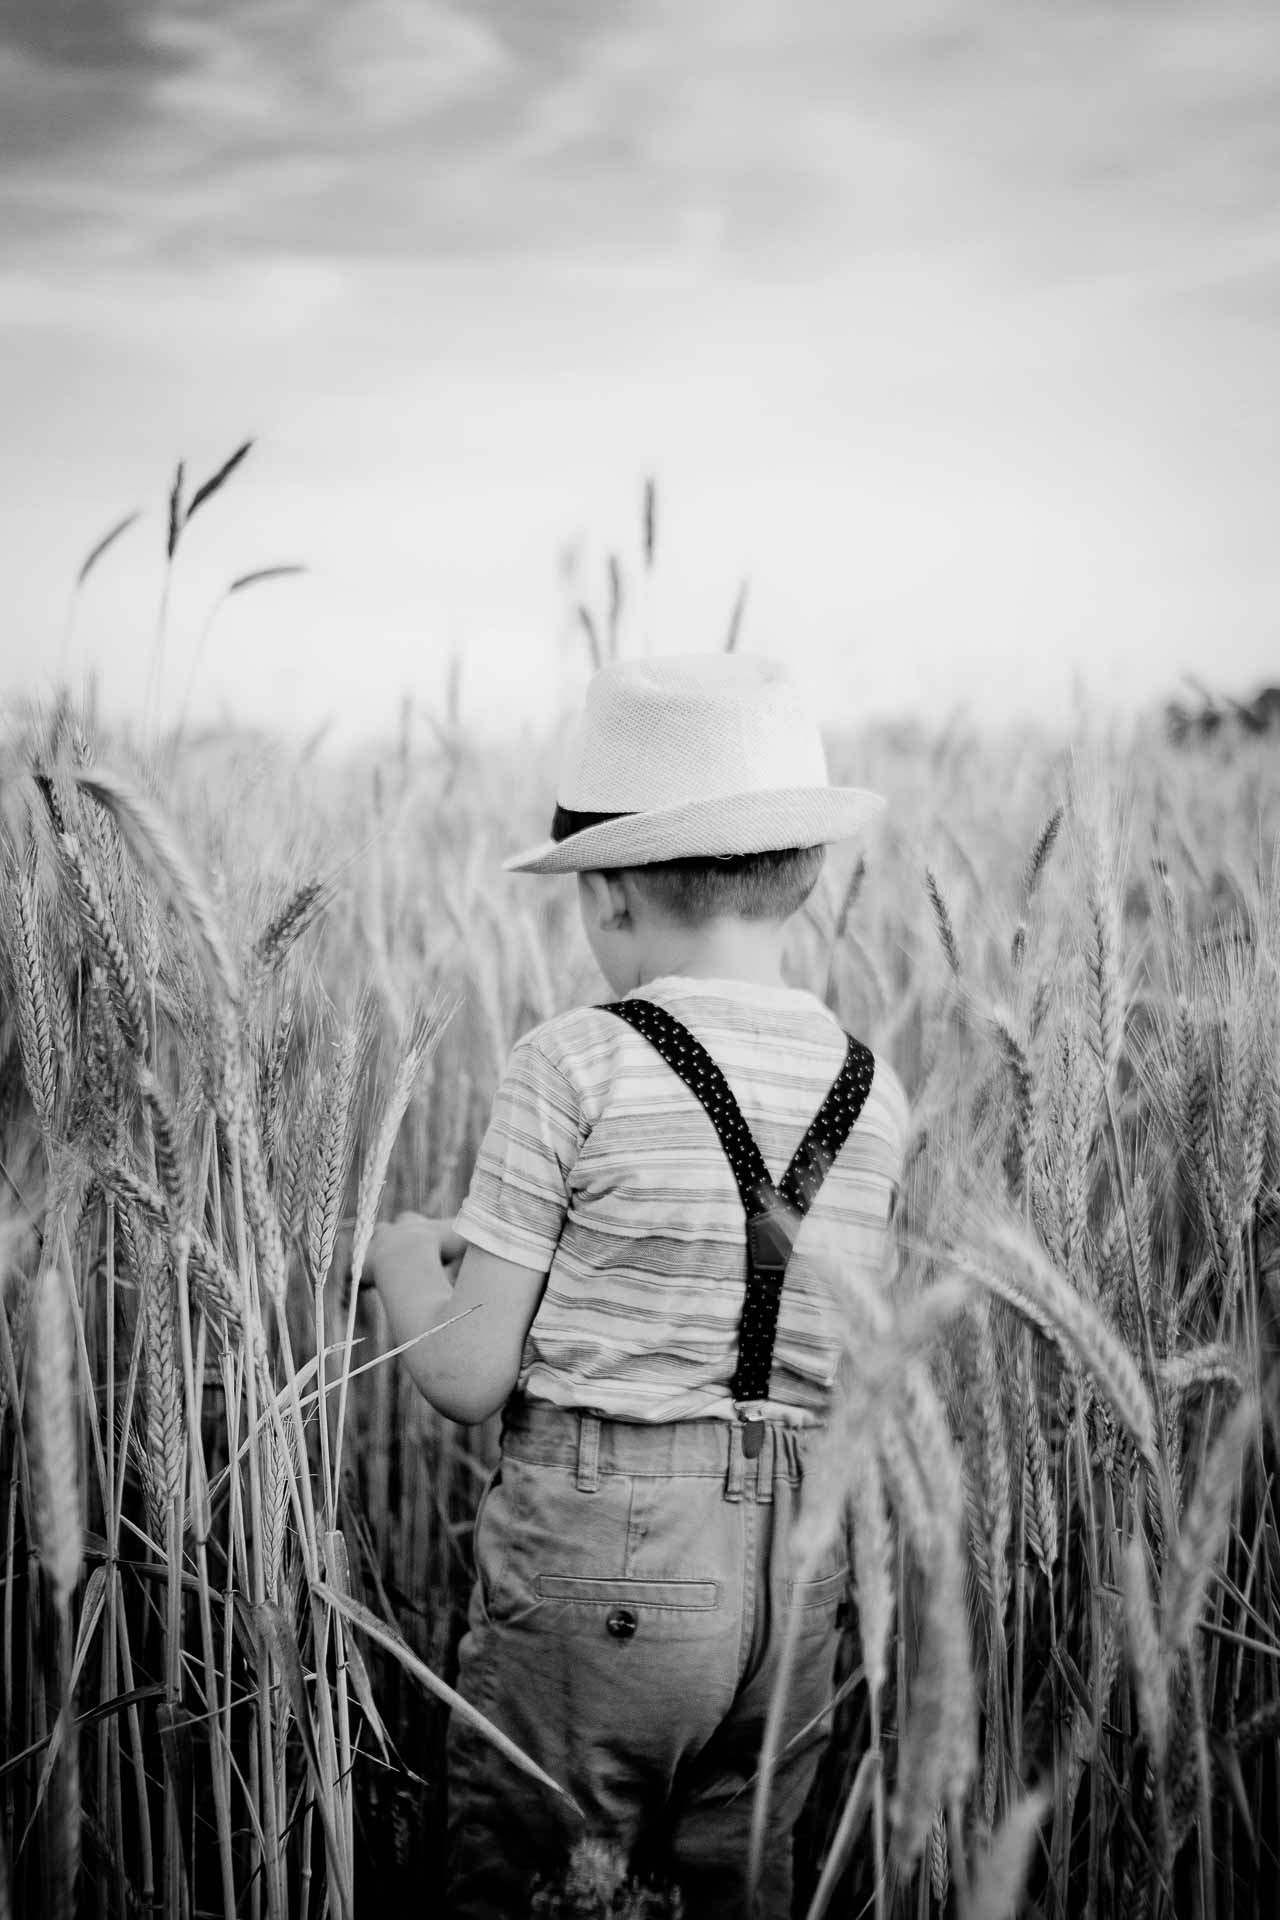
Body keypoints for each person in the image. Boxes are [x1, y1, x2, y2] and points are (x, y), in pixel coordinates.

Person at [365, 654, 908, 1918]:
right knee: (733, 1887)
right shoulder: (874, 1094)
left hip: (603, 1570)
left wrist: (401, 1263)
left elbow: (461, 1374)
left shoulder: (574, 1063)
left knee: (548, 1884)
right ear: (808, 871)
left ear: (604, 894)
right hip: (799, 1579)